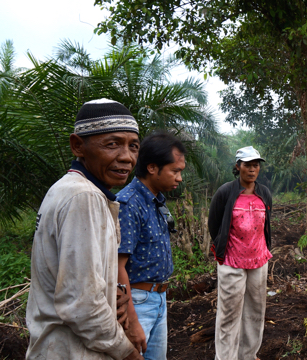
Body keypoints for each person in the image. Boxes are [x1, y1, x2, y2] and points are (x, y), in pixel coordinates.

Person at [26, 99, 143, 360]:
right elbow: (82, 303)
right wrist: (127, 353)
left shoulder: (70, 190)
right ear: (78, 145)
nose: (126, 157)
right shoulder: (83, 197)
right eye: (112, 144)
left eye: (133, 146)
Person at [116, 132, 187, 360]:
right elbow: (117, 266)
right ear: (152, 168)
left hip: (158, 297)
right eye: (175, 171)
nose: (179, 178)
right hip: (137, 300)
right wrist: (132, 321)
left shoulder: (156, 201)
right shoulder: (129, 204)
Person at [208, 146, 273, 360]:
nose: (252, 169)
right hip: (231, 262)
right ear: (238, 166)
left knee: (255, 312)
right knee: (229, 314)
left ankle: (248, 355)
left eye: (256, 165)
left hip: (259, 261)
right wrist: (222, 248)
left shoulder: (263, 193)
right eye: (247, 165)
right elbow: (215, 225)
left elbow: (266, 226)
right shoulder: (226, 192)